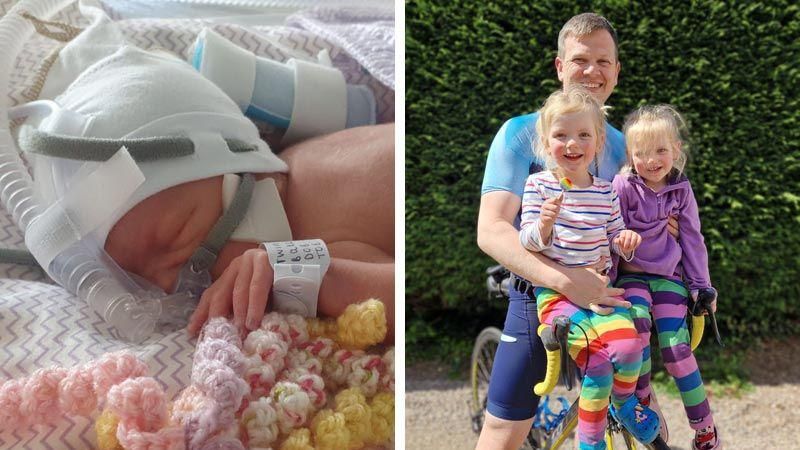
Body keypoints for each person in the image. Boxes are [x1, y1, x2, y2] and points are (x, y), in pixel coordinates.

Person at [476, 13, 634, 450]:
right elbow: (491, 230)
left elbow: (636, 225)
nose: (592, 71)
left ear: (616, 71)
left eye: (604, 61)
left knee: (645, 416)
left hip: (605, 298)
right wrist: (566, 281)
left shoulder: (625, 147)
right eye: (580, 59)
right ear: (560, 66)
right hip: (537, 296)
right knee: (502, 434)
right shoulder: (520, 135)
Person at [518, 87, 659, 449]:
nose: (572, 143)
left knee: (629, 349)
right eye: (561, 134)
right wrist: (544, 224)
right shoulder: (538, 186)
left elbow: (613, 234)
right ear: (546, 142)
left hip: (601, 289)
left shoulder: (604, 191)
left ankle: (626, 402)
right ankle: (590, 442)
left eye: (583, 135)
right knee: (597, 364)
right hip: (557, 297)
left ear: (597, 142)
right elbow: (528, 243)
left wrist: (624, 240)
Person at [612, 105, 720, 450]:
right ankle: (643, 407)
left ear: (676, 150)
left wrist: (701, 286)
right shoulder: (623, 186)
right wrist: (607, 278)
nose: (651, 160)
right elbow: (610, 233)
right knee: (637, 329)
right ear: (631, 155)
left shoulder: (681, 190)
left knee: (676, 348)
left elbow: (692, 238)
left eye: (660, 150)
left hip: (669, 279)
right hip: (631, 279)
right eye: (641, 153)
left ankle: (705, 428)